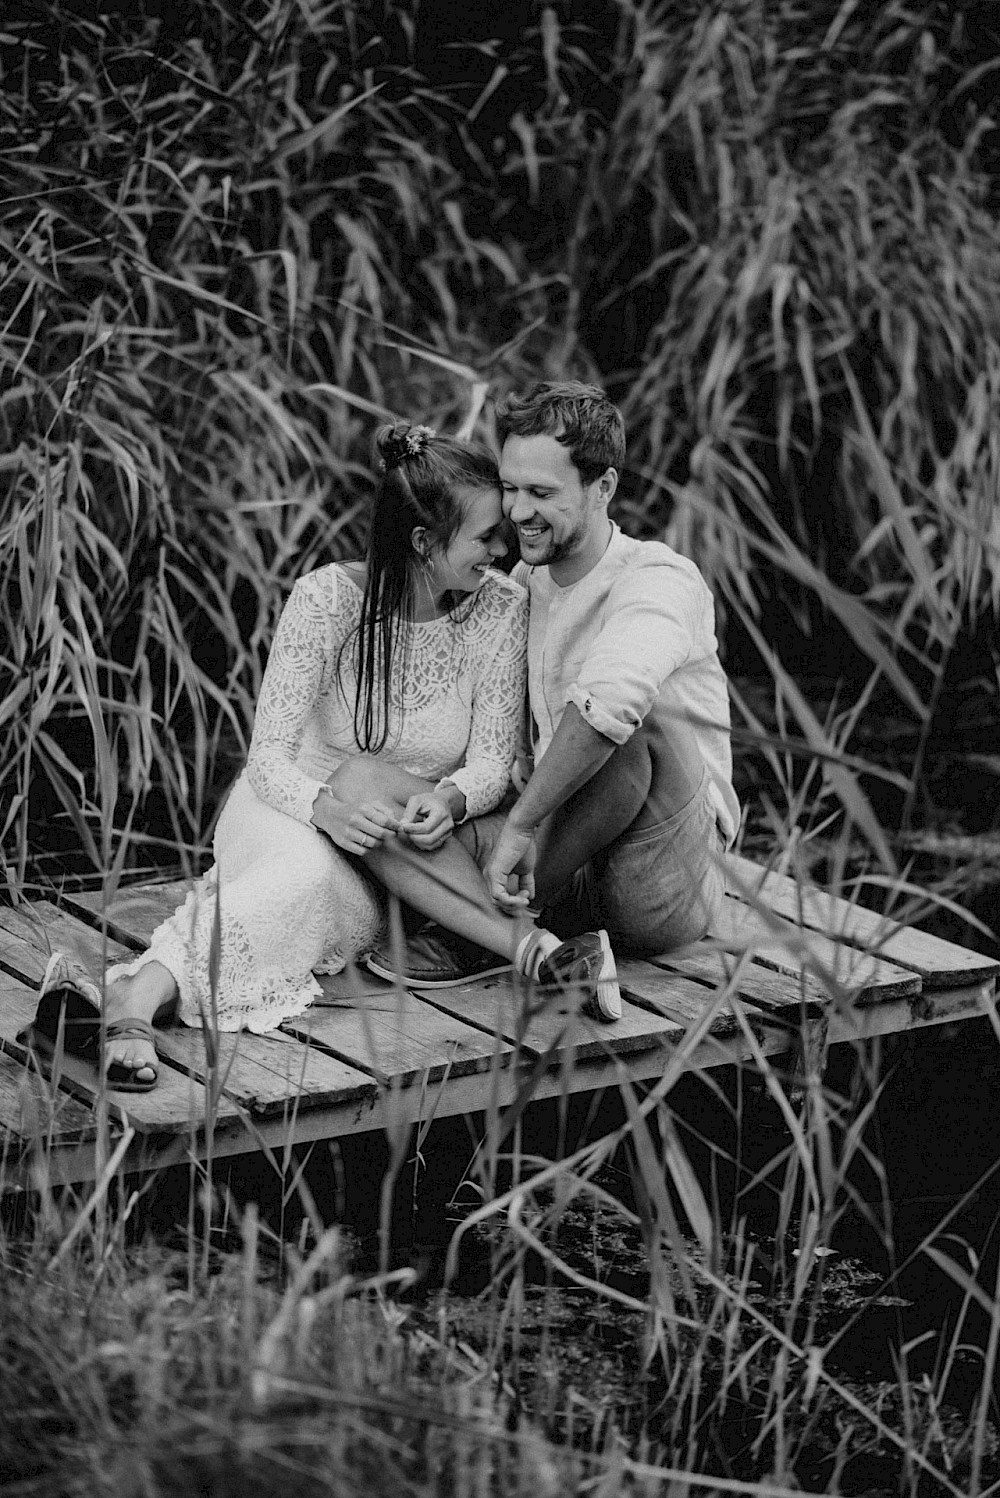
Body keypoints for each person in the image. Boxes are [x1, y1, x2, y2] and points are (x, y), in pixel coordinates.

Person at [26, 423, 621, 1092]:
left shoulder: (501, 609)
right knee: (298, 874)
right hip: (288, 805)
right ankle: (134, 1006)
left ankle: (119, 999)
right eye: (484, 536)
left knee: (310, 895)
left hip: (402, 846)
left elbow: (489, 761)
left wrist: (449, 799)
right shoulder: (325, 601)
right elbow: (267, 760)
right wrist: (323, 811)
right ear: (424, 542)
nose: (502, 547)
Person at [365, 381, 739, 993]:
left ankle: (476, 932)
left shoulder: (661, 579)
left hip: (661, 876)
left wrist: (520, 826)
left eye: (541, 493)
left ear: (604, 488)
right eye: (510, 489)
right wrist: (469, 793)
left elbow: (613, 701)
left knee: (639, 721)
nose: (516, 512)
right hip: (563, 849)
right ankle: (515, 937)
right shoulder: (524, 585)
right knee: (366, 789)